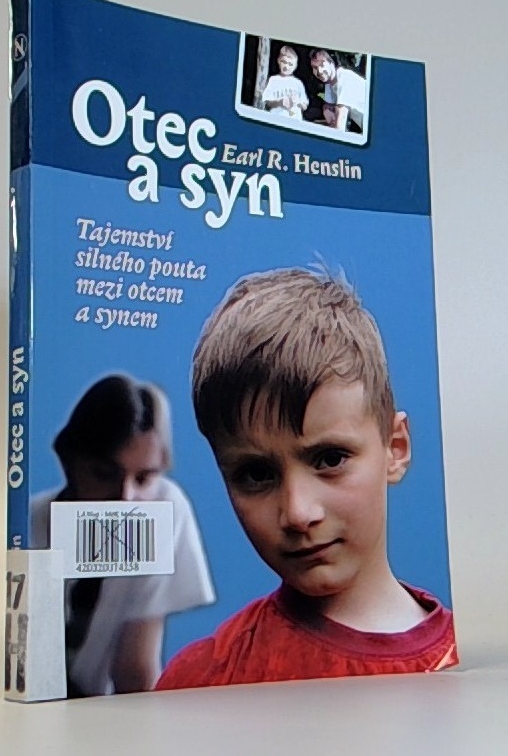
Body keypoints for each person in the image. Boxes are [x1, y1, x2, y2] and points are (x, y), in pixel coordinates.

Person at [155, 268, 457, 690]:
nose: (298, 513)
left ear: (395, 447)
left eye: (330, 459)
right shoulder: (200, 684)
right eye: (257, 474)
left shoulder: (477, 664)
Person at [31, 375, 215, 697]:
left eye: (143, 479)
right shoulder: (27, 524)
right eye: (104, 474)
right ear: (69, 461)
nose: (125, 498)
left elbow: (135, 671)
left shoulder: (163, 509)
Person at [309, 49, 366, 131]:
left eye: (322, 64)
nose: (319, 71)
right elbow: (328, 106)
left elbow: (341, 116)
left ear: (331, 63)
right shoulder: (329, 83)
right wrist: (326, 110)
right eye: (315, 67)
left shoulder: (344, 77)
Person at [262, 45, 308, 120]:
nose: (286, 66)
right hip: (275, 119)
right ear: (278, 60)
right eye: (284, 62)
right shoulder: (273, 80)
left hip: (294, 120)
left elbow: (305, 105)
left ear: (295, 66)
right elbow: (267, 102)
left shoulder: (298, 83)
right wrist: (279, 102)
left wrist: (297, 102)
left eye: (290, 64)